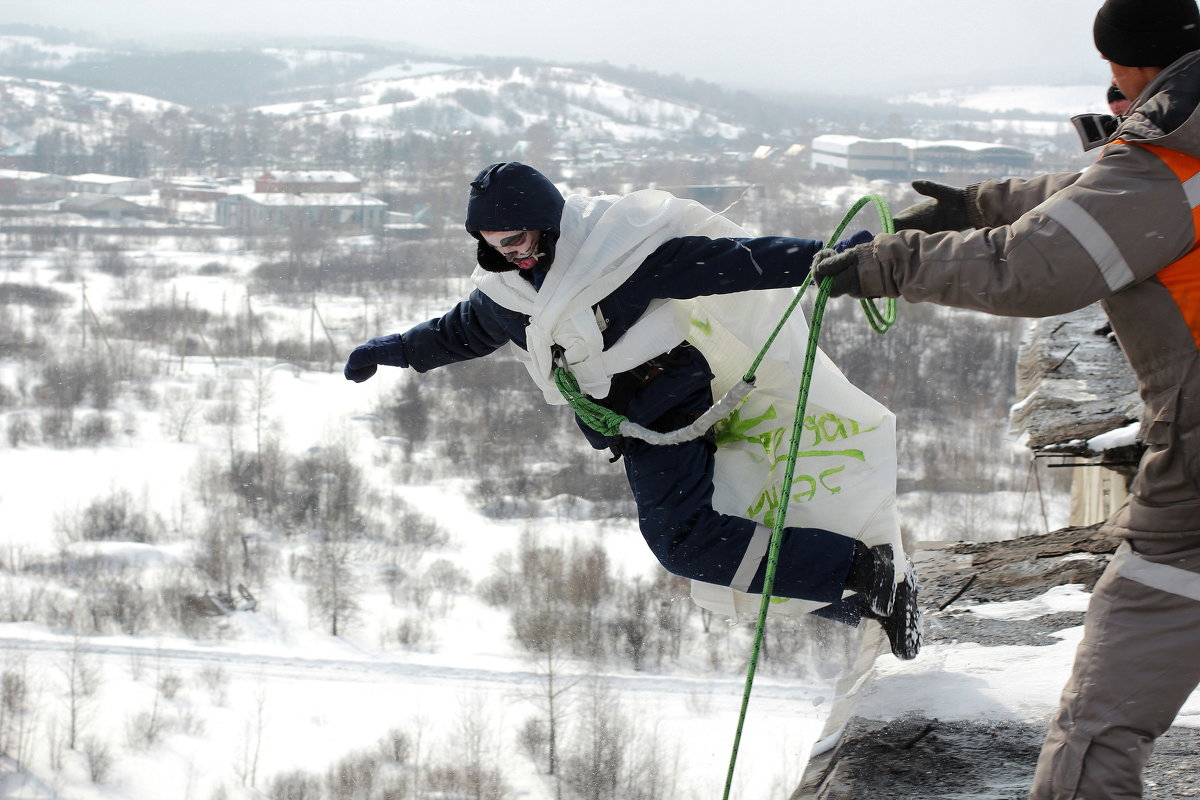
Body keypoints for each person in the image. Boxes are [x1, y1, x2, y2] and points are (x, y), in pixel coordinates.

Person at [812, 0, 1200, 795]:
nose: (1114, 102)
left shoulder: (1172, 158)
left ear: (1137, 66)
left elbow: (1035, 266)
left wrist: (895, 262)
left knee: (1102, 711)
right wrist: (983, 203)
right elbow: (1099, 194)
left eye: (1117, 86)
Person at [344, 162, 921, 659]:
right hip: (625, 418)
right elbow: (459, 331)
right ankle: (856, 598)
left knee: (684, 541)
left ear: (545, 223)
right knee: (720, 521)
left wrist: (824, 259)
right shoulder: (505, 292)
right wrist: (391, 349)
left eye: (517, 237)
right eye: (496, 242)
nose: (510, 252)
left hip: (668, 397)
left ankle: (865, 578)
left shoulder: (615, 257)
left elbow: (728, 262)